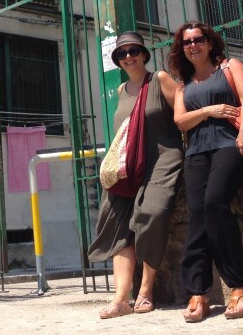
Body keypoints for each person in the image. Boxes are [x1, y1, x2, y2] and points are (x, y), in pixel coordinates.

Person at [169, 21, 243, 322]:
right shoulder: (184, 84)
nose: (192, 46)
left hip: (230, 145)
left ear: (210, 43)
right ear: (181, 49)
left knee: (214, 204)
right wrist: (209, 111)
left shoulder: (230, 67)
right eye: (186, 42)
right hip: (196, 152)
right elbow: (181, 121)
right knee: (198, 215)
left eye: (198, 40)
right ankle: (198, 292)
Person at [88, 31, 183, 319]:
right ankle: (120, 299)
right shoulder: (120, 91)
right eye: (122, 53)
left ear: (144, 54)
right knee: (119, 226)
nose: (128, 56)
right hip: (128, 167)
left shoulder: (161, 80)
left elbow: (182, 115)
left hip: (162, 159)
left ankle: (146, 289)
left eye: (133, 51)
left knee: (152, 213)